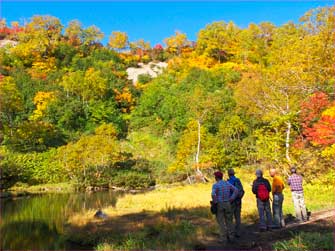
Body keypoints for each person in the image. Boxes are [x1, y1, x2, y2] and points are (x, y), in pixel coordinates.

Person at [211, 171, 238, 243]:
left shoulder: (215, 185)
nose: (215, 177)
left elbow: (213, 194)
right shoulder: (227, 183)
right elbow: (236, 190)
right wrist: (232, 198)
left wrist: (215, 202)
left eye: (215, 176)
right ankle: (231, 237)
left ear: (216, 177)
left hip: (220, 204)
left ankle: (223, 239)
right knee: (229, 220)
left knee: (221, 222)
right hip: (228, 203)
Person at [227, 168, 244, 237]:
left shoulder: (228, 181)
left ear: (228, 174)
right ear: (234, 173)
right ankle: (238, 232)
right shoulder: (238, 180)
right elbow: (242, 190)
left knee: (230, 218)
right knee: (238, 217)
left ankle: (231, 233)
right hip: (238, 201)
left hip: (231, 201)